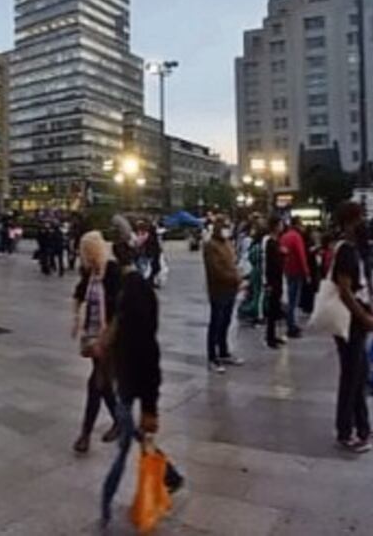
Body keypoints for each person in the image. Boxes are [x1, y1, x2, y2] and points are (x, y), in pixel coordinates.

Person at [94, 241, 182, 526]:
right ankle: (169, 475)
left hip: (133, 382)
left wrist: (150, 406)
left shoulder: (135, 293)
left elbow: (147, 350)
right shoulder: (127, 290)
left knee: (125, 447)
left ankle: (107, 504)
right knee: (134, 438)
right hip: (127, 381)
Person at [310, 203, 373, 452]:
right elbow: (344, 291)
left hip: (357, 320)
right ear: (352, 222)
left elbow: (358, 288)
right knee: (351, 376)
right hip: (349, 322)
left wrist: (370, 313)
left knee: (360, 374)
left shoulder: (351, 249)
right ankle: (345, 431)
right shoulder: (345, 251)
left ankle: (363, 425)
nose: (365, 222)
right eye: (362, 218)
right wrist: (363, 317)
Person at [70, 233, 120, 454]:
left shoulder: (112, 271)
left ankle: (85, 435)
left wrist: (107, 335)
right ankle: (120, 420)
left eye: (90, 252)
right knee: (105, 384)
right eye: (84, 253)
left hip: (110, 337)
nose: (87, 257)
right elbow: (79, 293)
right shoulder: (89, 272)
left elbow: (120, 307)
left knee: (95, 384)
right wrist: (75, 316)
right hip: (92, 334)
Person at [201, 224, 243, 373]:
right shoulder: (210, 246)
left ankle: (224, 351)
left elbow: (233, 263)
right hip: (218, 289)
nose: (226, 230)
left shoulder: (227, 243)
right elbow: (215, 269)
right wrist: (235, 278)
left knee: (226, 320)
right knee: (216, 322)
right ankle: (212, 357)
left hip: (231, 289)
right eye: (223, 227)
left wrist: (238, 276)